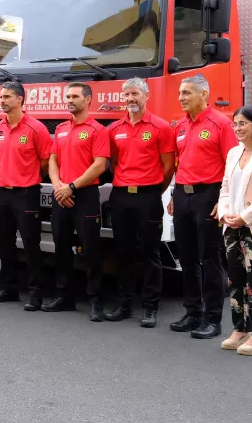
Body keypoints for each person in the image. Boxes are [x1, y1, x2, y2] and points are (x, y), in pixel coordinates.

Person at [169, 74, 238, 339]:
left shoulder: (221, 124)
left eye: (187, 93)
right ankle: (192, 312)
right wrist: (175, 195)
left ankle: (213, 319)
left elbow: (231, 166)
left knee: (210, 259)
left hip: (209, 196)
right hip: (184, 196)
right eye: (180, 93)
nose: (181, 98)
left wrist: (224, 201)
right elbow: (181, 163)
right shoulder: (181, 126)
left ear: (203, 95)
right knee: (186, 258)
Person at [105, 77, 175, 328]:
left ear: (147, 96)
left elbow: (168, 168)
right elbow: (113, 162)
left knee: (150, 253)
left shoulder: (161, 127)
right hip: (121, 195)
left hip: (148, 196)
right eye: (126, 95)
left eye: (135, 94)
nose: (130, 99)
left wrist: (155, 189)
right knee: (123, 252)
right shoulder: (114, 129)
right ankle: (124, 303)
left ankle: (150, 307)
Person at [0, 80, 52, 308]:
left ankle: (36, 294)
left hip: (26, 194)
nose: (2, 101)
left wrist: (28, 177)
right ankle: (9, 288)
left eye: (6, 97)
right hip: (2, 194)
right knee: (4, 243)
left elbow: (46, 162)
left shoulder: (37, 128)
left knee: (30, 244)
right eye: (1, 97)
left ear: (20, 100)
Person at [48, 82, 108, 318]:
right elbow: (53, 160)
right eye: (68, 96)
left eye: (75, 96)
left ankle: (96, 300)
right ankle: (64, 297)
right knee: (61, 247)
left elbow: (99, 165)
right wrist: (58, 187)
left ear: (88, 100)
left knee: (91, 250)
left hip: (84, 196)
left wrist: (72, 187)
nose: (69, 100)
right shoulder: (61, 128)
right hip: (61, 194)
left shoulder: (97, 130)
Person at [218, 106, 252, 356]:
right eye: (235, 124)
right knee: (236, 280)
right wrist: (226, 214)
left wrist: (245, 217)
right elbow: (226, 188)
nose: (238, 128)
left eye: (243, 123)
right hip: (232, 227)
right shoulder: (233, 153)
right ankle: (240, 329)